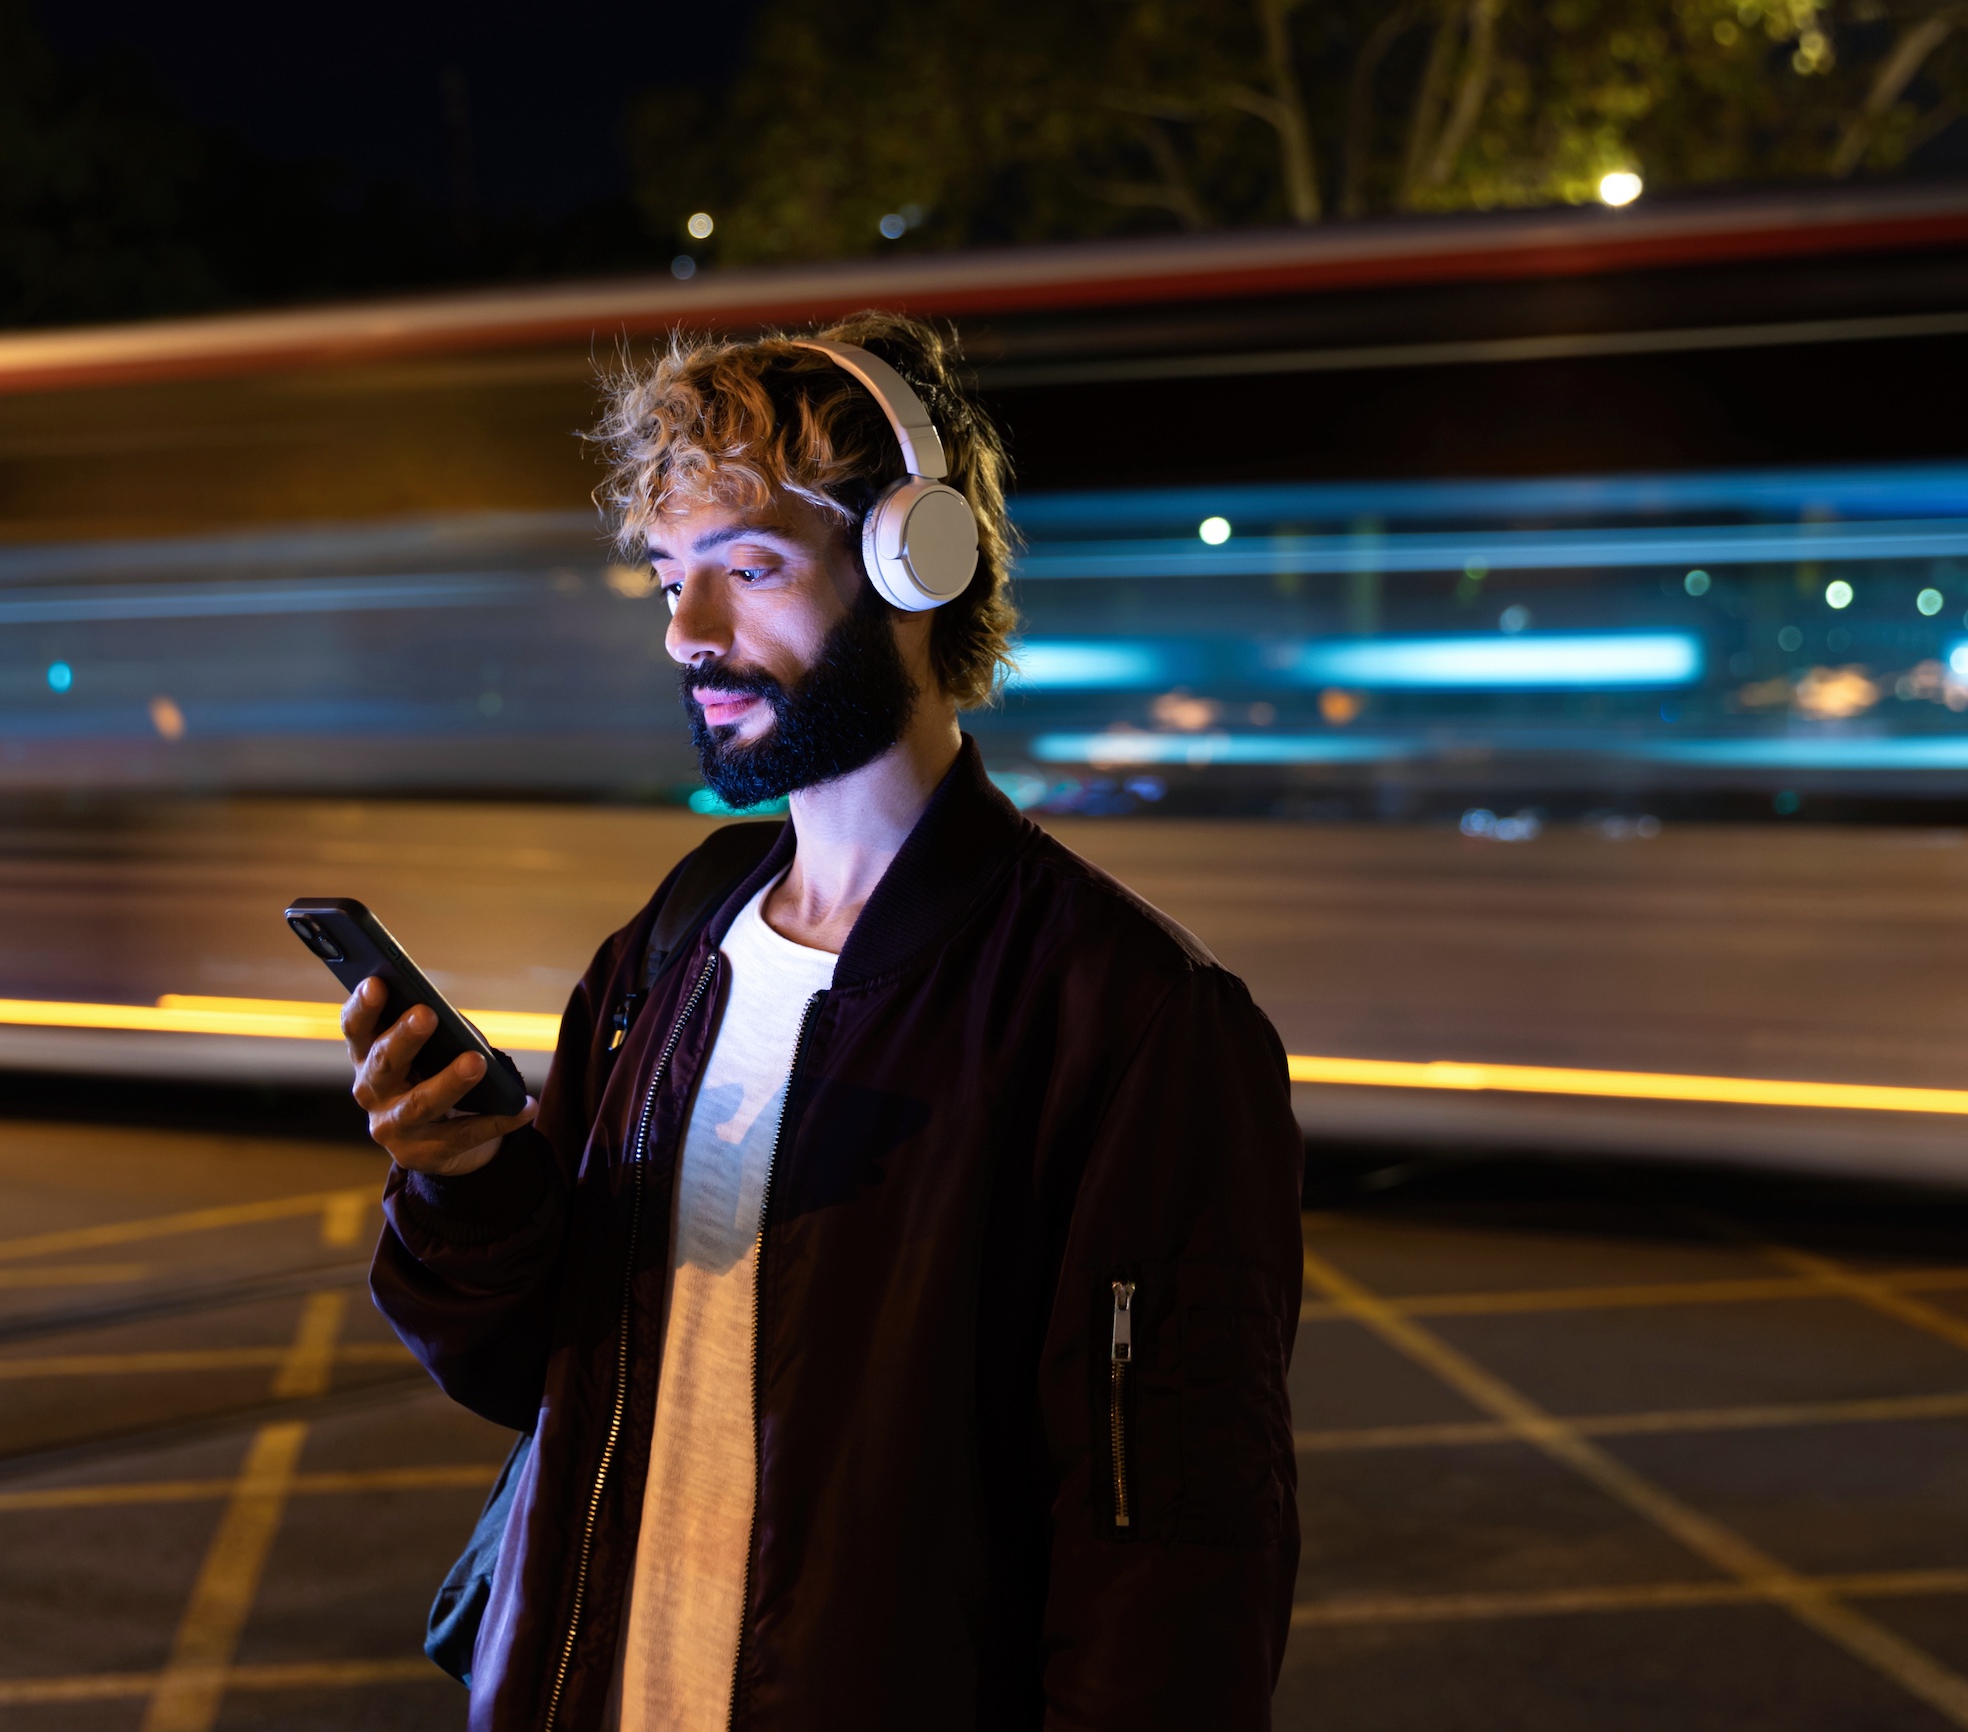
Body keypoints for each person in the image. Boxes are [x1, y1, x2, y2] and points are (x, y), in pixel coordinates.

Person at [349, 312, 1302, 1731]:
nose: (687, 633)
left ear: (915, 565)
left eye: (747, 569)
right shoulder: (669, 948)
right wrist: (471, 1187)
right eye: (670, 578)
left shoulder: (1132, 1019)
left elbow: (1170, 1572)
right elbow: (529, 1369)